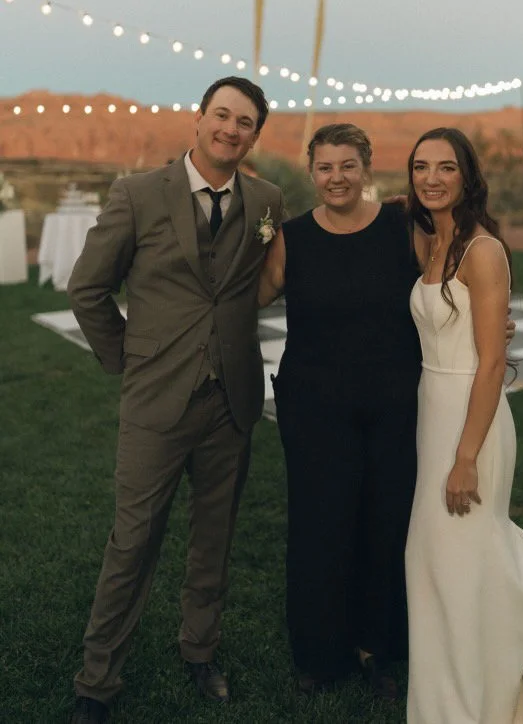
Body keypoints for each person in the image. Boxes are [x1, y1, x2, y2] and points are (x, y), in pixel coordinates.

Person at [67, 76, 285, 723]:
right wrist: (129, 360)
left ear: (254, 135)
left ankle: (200, 650)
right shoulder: (138, 194)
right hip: (156, 402)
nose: (230, 129)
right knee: (133, 541)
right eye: (222, 115)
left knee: (214, 539)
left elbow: (271, 276)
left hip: (232, 400)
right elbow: (88, 289)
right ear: (198, 118)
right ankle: (97, 679)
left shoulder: (267, 200)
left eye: (244, 122)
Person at [405, 127, 523, 723]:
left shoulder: (483, 251)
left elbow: (491, 363)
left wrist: (466, 458)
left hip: (473, 420)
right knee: (439, 564)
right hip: (431, 412)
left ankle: (481, 702)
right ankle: (460, 692)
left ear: (468, 176)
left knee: (465, 560)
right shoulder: (428, 240)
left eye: (446, 167)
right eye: (420, 167)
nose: (432, 178)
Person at [258, 123, 430, 699]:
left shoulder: (401, 227)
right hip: (314, 408)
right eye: (325, 167)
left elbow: (446, 286)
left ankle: (377, 647)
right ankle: (320, 653)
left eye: (347, 166)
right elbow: (248, 295)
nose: (337, 178)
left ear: (366, 168)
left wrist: (493, 318)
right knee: (320, 527)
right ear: (311, 173)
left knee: (386, 523)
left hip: (393, 403)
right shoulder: (291, 238)